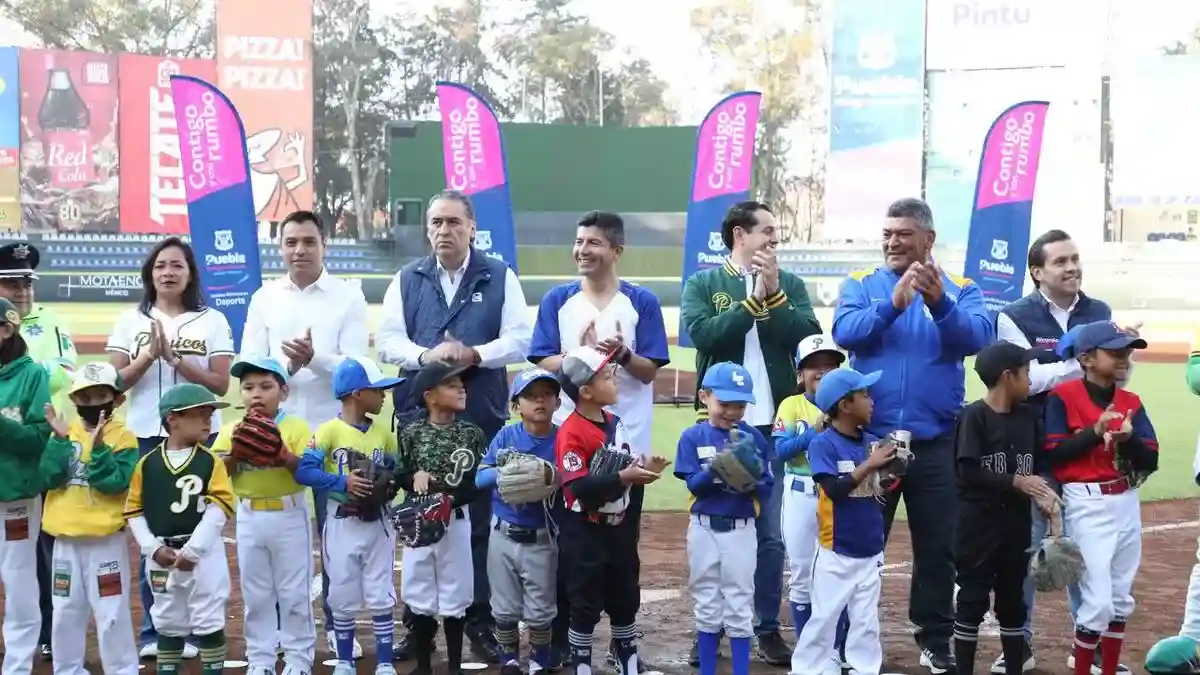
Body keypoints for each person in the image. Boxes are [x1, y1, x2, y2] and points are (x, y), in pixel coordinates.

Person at [831, 197, 992, 673]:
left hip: (937, 440)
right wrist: (893, 304)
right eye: (887, 233)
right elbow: (844, 332)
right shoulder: (861, 284)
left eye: (902, 233)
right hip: (873, 443)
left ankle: (935, 638)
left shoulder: (962, 288)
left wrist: (938, 301)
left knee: (938, 546)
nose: (892, 242)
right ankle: (850, 638)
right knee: (860, 543)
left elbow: (977, 341)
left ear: (928, 239)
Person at [377, 189, 532, 662]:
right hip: (418, 418)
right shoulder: (407, 278)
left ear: (471, 227)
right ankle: (417, 623)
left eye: (452, 222)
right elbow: (386, 341)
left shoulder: (500, 276)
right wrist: (427, 356)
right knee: (419, 517)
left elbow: (521, 338)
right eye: (435, 223)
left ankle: (478, 622)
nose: (443, 231)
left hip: (480, 412)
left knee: (478, 519)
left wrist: (474, 354)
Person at [679, 201, 821, 666]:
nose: (774, 241)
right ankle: (713, 624)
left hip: (774, 425)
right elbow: (706, 336)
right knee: (717, 527)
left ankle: (763, 626)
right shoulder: (703, 282)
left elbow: (806, 339)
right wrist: (751, 301)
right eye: (768, 233)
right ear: (741, 234)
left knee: (769, 534)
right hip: (720, 424)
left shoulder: (790, 284)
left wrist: (775, 293)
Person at [527, 211, 670, 668]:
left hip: (626, 442)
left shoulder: (641, 302)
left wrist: (621, 354)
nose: (582, 250)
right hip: (572, 440)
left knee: (621, 551)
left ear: (617, 250)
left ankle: (623, 646)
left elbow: (650, 371)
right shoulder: (558, 299)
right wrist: (579, 358)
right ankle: (574, 647)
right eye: (579, 241)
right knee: (573, 550)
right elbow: (540, 359)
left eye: (593, 242)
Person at [994, 229, 1129, 675]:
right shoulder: (1014, 315)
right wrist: (1084, 360)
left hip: (1090, 451)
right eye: (1060, 262)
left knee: (1085, 551)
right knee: (1030, 547)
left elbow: (1114, 378)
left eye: (1075, 258)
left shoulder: (1099, 311)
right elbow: (1025, 380)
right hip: (1034, 448)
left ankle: (1084, 646)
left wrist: (1105, 361)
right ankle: (1018, 645)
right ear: (1037, 272)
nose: (1072, 267)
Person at [241, 209, 371, 659]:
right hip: (273, 438)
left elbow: (358, 368)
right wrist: (282, 373)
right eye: (291, 242)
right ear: (280, 247)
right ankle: (276, 636)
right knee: (276, 543)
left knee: (336, 542)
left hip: (332, 437)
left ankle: (339, 629)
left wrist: (315, 359)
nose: (299, 250)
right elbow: (250, 359)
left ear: (324, 245)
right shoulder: (264, 298)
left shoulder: (348, 297)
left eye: (308, 242)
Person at [106, 236, 233, 659]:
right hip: (146, 434)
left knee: (199, 532)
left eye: (177, 265)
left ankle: (199, 628)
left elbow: (220, 383)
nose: (168, 272)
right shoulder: (130, 320)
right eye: (161, 265)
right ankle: (155, 632)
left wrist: (178, 360)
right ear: (150, 273)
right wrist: (147, 358)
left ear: (190, 273)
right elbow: (112, 384)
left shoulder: (212, 320)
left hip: (200, 436)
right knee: (155, 532)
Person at [1043, 322, 1159, 675]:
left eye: (1127, 350)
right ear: (1086, 358)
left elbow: (1150, 460)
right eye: (1115, 351)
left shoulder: (1131, 403)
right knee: (1097, 602)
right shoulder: (1061, 398)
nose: (1124, 357)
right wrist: (1096, 432)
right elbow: (1054, 454)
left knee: (1121, 598)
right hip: (1086, 503)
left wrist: (1127, 440)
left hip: (1126, 501)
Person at [555, 346, 670, 675]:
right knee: (585, 602)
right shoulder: (571, 431)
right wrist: (624, 476)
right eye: (606, 376)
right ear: (586, 391)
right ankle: (581, 665)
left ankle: (627, 659)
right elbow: (576, 487)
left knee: (624, 597)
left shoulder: (615, 422)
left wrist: (644, 472)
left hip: (618, 528)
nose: (615, 377)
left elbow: (626, 470)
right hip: (585, 530)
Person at [952, 342, 1059, 675]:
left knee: (1013, 602)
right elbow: (967, 471)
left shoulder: (1029, 416)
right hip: (977, 527)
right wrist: (1016, 482)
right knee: (972, 600)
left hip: (1016, 526)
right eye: (1026, 373)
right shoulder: (974, 416)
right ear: (1006, 376)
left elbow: (1040, 463)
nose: (1031, 380)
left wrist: (1044, 495)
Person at [295, 356, 404, 675]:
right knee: (341, 591)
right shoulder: (328, 431)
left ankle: (384, 662)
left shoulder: (383, 433)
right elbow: (304, 471)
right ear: (357, 393)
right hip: (341, 520)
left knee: (381, 590)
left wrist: (391, 485)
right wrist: (343, 481)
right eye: (378, 390)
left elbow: (396, 471)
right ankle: (344, 662)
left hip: (378, 522)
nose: (384, 396)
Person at [210, 357, 315, 675]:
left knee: (294, 592)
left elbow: (308, 473)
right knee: (256, 594)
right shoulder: (231, 430)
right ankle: (261, 659)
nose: (257, 394)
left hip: (290, 514)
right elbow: (214, 474)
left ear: (283, 392)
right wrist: (235, 454)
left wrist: (283, 455)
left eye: (266, 387)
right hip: (249, 517)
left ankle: (298, 658)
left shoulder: (296, 427)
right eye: (248, 387)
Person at [123, 383, 237, 675]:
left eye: (209, 414)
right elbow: (134, 511)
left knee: (210, 620)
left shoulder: (211, 461)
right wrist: (153, 549)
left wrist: (194, 550)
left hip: (204, 555)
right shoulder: (146, 465)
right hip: (161, 555)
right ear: (172, 419)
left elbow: (219, 508)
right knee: (167, 621)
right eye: (199, 413)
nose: (207, 420)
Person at [0, 241, 78, 661]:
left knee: (40, 551)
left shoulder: (51, 322)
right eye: (12, 283)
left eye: (27, 282)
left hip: (42, 449)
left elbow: (64, 374)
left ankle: (45, 634)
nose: (23, 290)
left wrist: (28, 376)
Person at [39, 363, 139, 675]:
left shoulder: (124, 438)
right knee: (66, 611)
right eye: (85, 396)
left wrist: (98, 451)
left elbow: (114, 483)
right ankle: (66, 669)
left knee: (111, 613)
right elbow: (49, 478)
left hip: (105, 543)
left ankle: (122, 669)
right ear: (74, 400)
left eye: (100, 395)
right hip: (65, 542)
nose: (93, 404)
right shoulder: (65, 433)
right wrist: (57, 441)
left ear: (117, 400)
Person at [789, 368, 891, 675]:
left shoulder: (872, 441)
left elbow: (875, 488)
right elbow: (833, 490)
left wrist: (889, 475)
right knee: (825, 616)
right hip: (837, 548)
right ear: (845, 406)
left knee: (866, 619)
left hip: (870, 545)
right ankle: (808, 669)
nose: (871, 401)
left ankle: (865, 668)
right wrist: (868, 465)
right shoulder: (824, 444)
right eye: (864, 395)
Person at [675, 362, 773, 675]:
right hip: (703, 528)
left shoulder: (754, 437)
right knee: (706, 600)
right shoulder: (693, 436)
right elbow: (693, 485)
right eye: (725, 403)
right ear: (704, 397)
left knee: (740, 601)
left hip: (741, 529)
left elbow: (767, 489)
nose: (732, 411)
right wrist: (717, 468)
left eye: (740, 405)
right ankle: (707, 670)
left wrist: (749, 477)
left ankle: (740, 670)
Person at [395, 361, 488, 675]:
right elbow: (401, 475)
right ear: (429, 396)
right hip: (418, 522)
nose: (461, 388)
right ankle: (423, 666)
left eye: (461, 383)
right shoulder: (411, 432)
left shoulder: (472, 434)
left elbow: (477, 483)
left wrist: (451, 499)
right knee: (418, 589)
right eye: (451, 384)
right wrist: (414, 476)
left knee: (456, 591)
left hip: (456, 520)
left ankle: (455, 667)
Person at [475, 368, 562, 675]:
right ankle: (509, 659)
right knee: (504, 606)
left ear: (557, 402)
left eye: (547, 395)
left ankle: (539, 659)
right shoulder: (506, 436)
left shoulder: (562, 439)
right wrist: (504, 473)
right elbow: (479, 476)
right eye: (530, 396)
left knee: (541, 610)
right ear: (516, 406)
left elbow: (574, 479)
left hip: (542, 536)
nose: (540, 401)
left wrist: (552, 477)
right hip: (503, 534)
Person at [772, 334, 847, 642]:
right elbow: (781, 451)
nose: (822, 372)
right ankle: (807, 652)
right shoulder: (792, 405)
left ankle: (839, 650)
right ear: (800, 375)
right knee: (803, 574)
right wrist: (814, 433)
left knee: (840, 576)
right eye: (814, 366)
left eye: (830, 365)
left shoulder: (847, 403)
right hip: (801, 495)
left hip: (838, 497)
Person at [0, 296, 52, 675]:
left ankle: (17, 665)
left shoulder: (32, 375)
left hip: (15, 496)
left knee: (19, 582)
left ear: (7, 329)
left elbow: (38, 439)